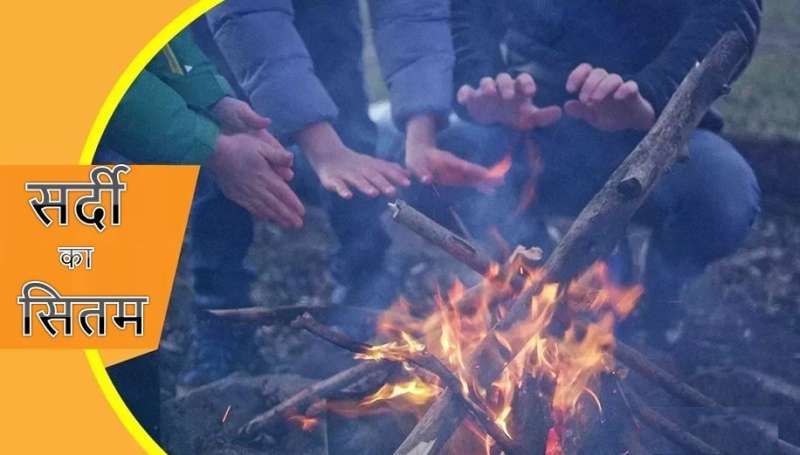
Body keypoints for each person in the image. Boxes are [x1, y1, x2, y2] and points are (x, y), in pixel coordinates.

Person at [428, 0, 762, 347]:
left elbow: (731, 13)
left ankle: (658, 304)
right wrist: (482, 82)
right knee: (429, 168)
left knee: (723, 196)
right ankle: (539, 272)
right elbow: (465, 9)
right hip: (532, 120)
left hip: (655, 123)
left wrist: (653, 94)